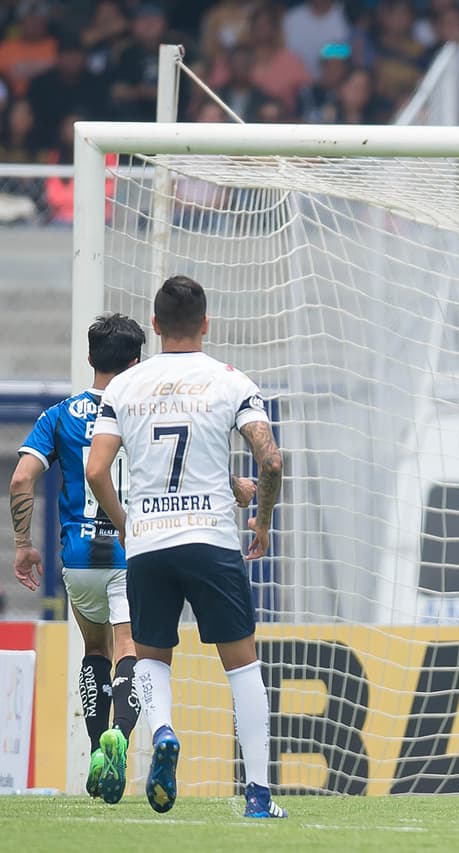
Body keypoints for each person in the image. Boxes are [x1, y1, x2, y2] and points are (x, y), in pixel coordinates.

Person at [85, 275, 286, 820]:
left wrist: (125, 522)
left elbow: (96, 468)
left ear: (153, 326)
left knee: (151, 655)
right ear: (205, 323)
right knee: (242, 667)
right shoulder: (229, 380)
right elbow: (270, 461)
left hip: (149, 542)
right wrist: (262, 520)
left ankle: (165, 732)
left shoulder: (124, 387)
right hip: (212, 539)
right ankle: (260, 798)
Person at [10, 313, 146, 804]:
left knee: (95, 649)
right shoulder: (143, 409)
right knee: (132, 647)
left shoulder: (59, 415)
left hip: (78, 557)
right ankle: (120, 740)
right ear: (136, 361)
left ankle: (94, 749)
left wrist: (24, 543)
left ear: (89, 358)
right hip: (133, 549)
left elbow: (22, 479)